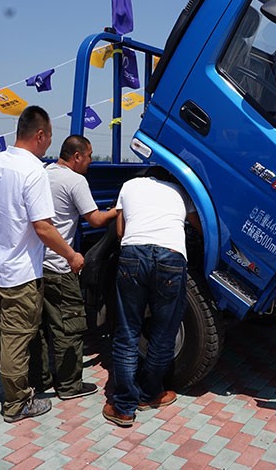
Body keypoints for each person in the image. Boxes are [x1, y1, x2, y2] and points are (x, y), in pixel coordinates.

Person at [0, 105, 85, 423]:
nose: (50, 144)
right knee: (17, 336)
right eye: (50, 137)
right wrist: (71, 255)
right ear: (40, 135)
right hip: (20, 275)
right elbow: (43, 227)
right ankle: (17, 402)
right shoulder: (34, 171)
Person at [102, 166, 202, 427]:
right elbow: (200, 227)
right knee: (164, 332)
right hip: (171, 256)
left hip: (133, 255)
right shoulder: (181, 191)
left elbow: (120, 231)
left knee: (127, 332)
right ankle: (150, 394)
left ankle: (123, 407)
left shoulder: (129, 186)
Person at [29, 135, 118, 400]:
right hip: (60, 264)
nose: (90, 161)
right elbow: (96, 219)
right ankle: (69, 386)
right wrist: (117, 209)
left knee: (39, 328)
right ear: (77, 156)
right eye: (89, 156)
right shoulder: (75, 180)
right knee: (68, 326)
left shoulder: (43, 173)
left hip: (36, 265)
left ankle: (39, 379)